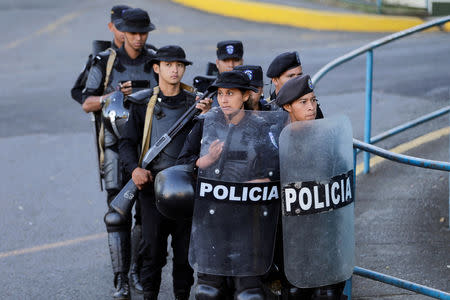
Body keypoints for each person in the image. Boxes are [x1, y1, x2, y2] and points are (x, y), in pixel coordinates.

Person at [177, 71, 280, 300]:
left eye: (230, 94)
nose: (223, 99)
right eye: (220, 94)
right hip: (211, 220)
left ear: (245, 96)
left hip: (248, 222)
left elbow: (276, 170)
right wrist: (206, 161)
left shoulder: (262, 127)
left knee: (248, 293)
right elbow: (183, 162)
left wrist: (262, 182)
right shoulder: (205, 123)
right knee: (208, 291)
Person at [119, 45, 211, 300]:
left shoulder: (197, 102)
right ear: (157, 68)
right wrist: (134, 169)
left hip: (188, 188)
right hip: (152, 189)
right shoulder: (142, 103)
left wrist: (207, 116)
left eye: (179, 65)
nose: (175, 70)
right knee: (152, 251)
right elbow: (126, 143)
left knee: (185, 254)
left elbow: (209, 140)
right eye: (169, 65)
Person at [81, 8, 157, 299]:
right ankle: (120, 278)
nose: (138, 39)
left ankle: (136, 268)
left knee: (146, 215)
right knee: (117, 213)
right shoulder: (104, 61)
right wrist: (111, 95)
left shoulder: (155, 60)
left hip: (148, 148)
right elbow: (86, 102)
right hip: (115, 146)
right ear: (122, 31)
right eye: (133, 33)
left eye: (143, 33)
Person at [275, 75, 346, 299]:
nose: (311, 107)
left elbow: (341, 176)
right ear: (287, 106)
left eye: (313, 100)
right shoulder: (276, 141)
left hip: (324, 235)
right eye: (303, 102)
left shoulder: (327, 137)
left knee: (328, 293)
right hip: (290, 239)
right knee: (295, 292)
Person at [71, 5, 130, 104]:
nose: (124, 31)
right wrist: (102, 104)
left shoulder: (148, 54)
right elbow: (77, 91)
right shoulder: (101, 58)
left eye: (128, 26)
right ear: (111, 27)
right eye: (120, 26)